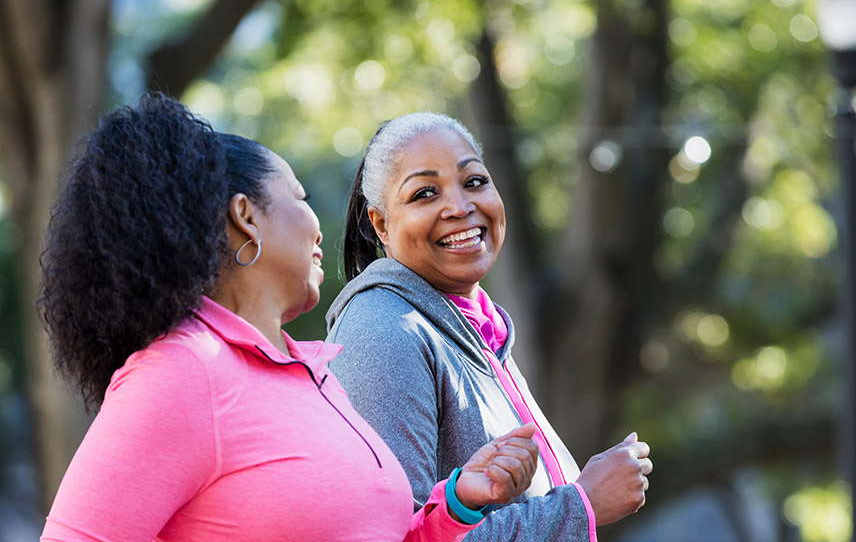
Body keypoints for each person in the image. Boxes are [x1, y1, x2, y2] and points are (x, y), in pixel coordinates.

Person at [37, 95, 541, 542]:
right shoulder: (182, 373)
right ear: (246, 217)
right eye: (298, 197)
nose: (319, 228)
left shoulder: (312, 375)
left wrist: (457, 504)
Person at [325, 112, 653, 541]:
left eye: (474, 181)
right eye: (425, 193)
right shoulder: (383, 330)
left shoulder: (477, 329)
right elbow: (398, 536)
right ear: (382, 224)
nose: (460, 206)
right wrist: (581, 504)